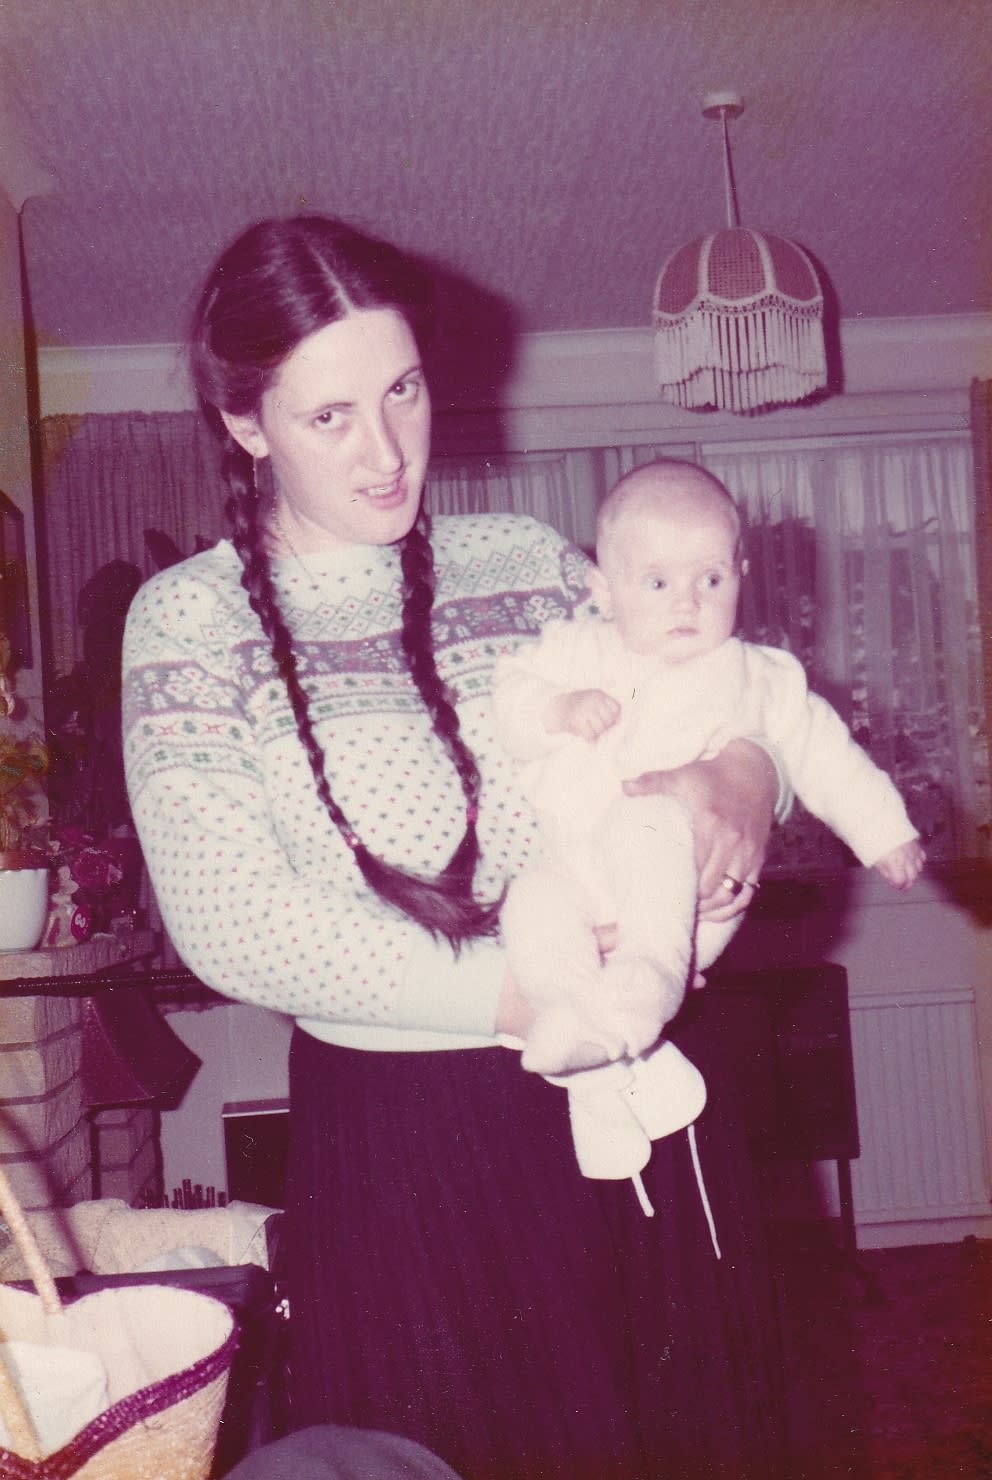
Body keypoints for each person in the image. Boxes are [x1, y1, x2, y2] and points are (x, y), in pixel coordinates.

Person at [122, 215, 791, 1480]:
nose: (386, 454)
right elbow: (228, 919)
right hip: (405, 1163)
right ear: (246, 423)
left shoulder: (534, 565)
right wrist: (515, 992)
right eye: (330, 418)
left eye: (405, 390)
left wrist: (743, 779)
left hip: (636, 1112)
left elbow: (712, 702)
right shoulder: (190, 621)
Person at [491, 460, 924, 1197]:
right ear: (603, 587)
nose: (686, 603)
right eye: (656, 582)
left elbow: (826, 755)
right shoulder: (573, 650)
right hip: (576, 876)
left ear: (742, 576)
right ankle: (590, 1054)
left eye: (711, 580)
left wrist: (884, 831)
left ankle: (641, 985)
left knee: (650, 820)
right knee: (529, 903)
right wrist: (556, 713)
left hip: (688, 899)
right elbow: (509, 694)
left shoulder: (758, 676)